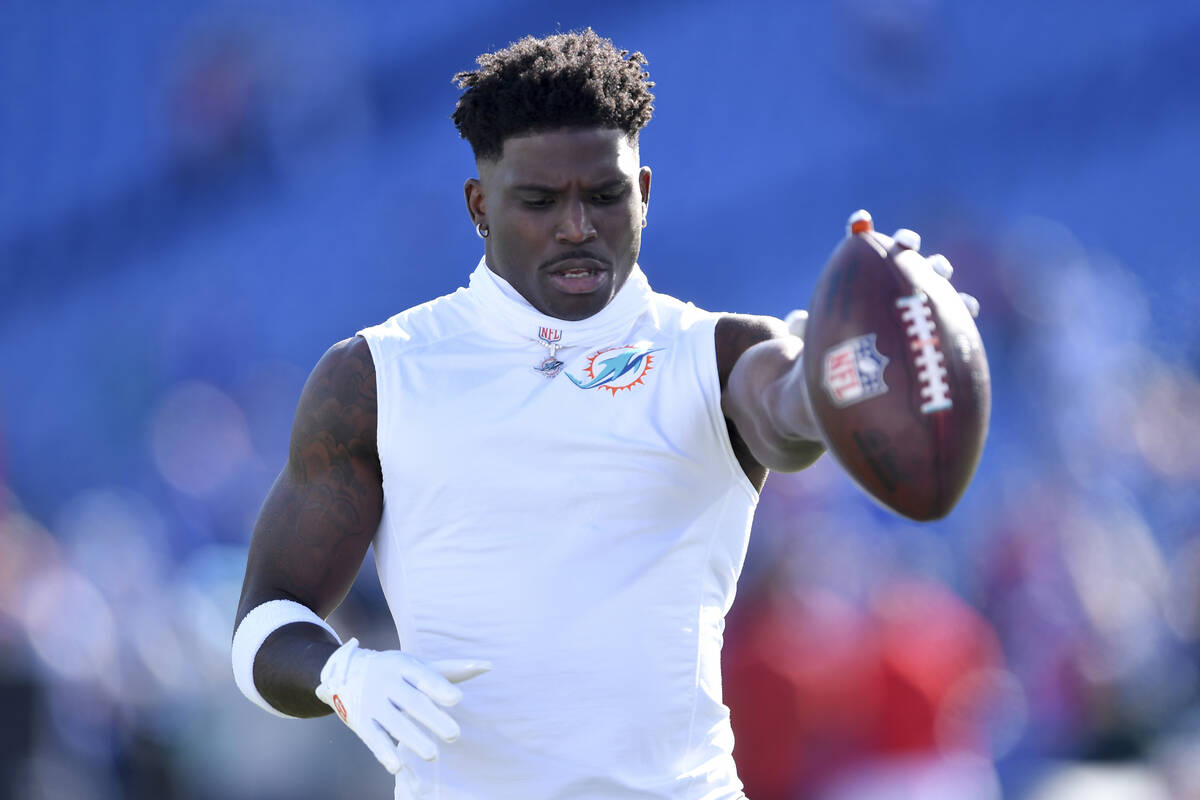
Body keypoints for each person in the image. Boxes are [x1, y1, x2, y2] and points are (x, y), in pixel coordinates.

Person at [231, 28, 965, 799]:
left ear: (644, 192)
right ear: (480, 205)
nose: (577, 226)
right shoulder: (379, 373)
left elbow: (787, 409)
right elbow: (261, 626)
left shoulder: (711, 353)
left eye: (605, 195)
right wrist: (343, 675)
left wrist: (846, 362)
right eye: (540, 201)